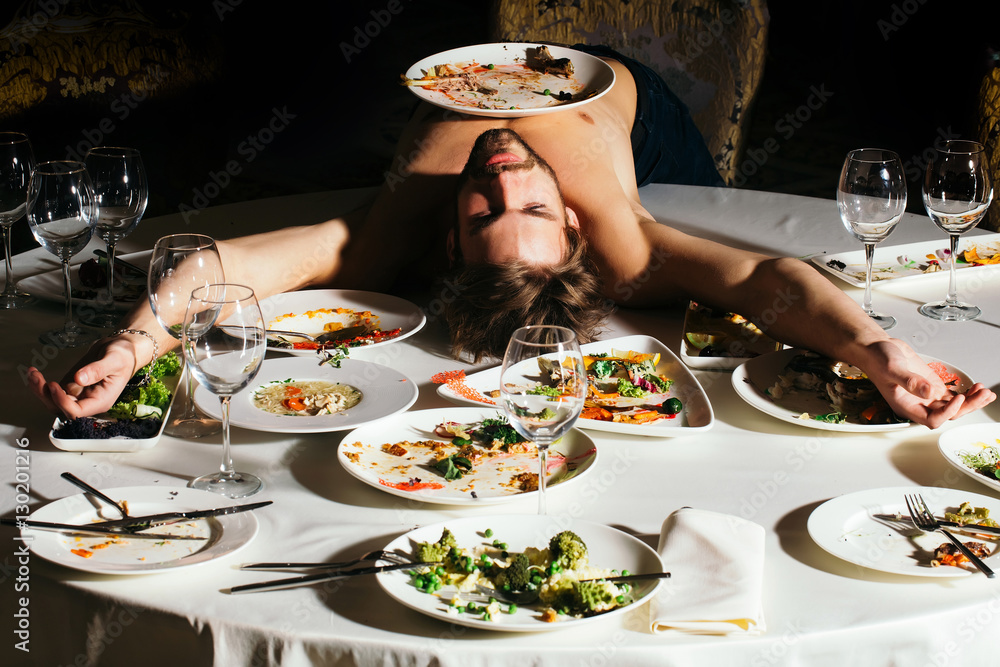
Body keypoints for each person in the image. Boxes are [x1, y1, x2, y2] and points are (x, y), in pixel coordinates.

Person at [28, 45, 994, 428]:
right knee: (696, 190)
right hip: (631, 107)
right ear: (573, 222)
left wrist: (131, 344)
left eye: (490, 212)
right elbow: (769, 278)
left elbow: (218, 266)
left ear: (450, 239)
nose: (501, 182)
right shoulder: (623, 243)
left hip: (563, 93)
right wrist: (877, 346)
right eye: (527, 208)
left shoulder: (395, 231)